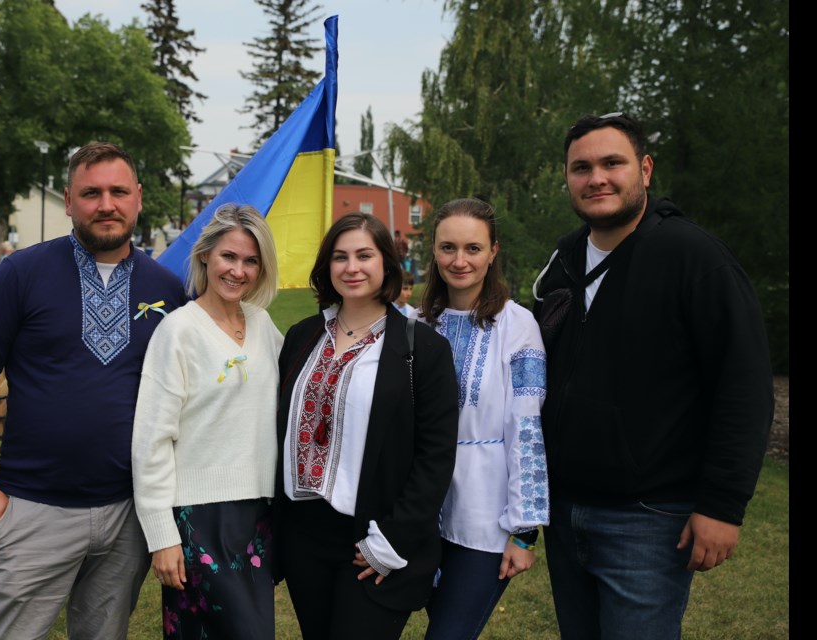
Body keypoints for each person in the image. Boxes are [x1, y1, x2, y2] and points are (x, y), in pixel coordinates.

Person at [532, 112, 774, 638]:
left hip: (647, 517)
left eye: (612, 163)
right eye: (581, 167)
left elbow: (744, 388)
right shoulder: (563, 259)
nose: (596, 177)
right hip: (565, 507)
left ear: (644, 169)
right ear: (568, 178)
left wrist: (722, 506)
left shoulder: (693, 257)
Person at [0, 142, 189, 640]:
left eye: (118, 191)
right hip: (33, 507)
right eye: (92, 192)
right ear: (68, 200)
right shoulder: (20, 273)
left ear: (138, 198)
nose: (106, 203)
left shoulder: (168, 287)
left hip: (129, 512)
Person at [273, 212, 460, 640]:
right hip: (305, 538)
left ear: (386, 264)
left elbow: (437, 455)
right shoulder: (302, 336)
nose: (351, 267)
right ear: (327, 267)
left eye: (364, 255)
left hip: (374, 542)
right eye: (340, 257)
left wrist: (391, 539)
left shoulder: (423, 347)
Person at [131, 203, 284, 639]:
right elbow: (151, 440)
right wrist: (162, 535)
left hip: (256, 515)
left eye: (251, 261)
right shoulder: (178, 330)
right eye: (229, 257)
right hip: (199, 519)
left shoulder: (262, 324)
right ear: (205, 257)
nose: (238, 270)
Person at [416, 197, 549, 639]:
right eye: (447, 247)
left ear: (493, 251)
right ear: (433, 251)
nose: (459, 260)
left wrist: (525, 529)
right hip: (422, 507)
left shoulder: (518, 325)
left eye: (473, 248)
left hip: (485, 515)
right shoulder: (418, 323)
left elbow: (526, 426)